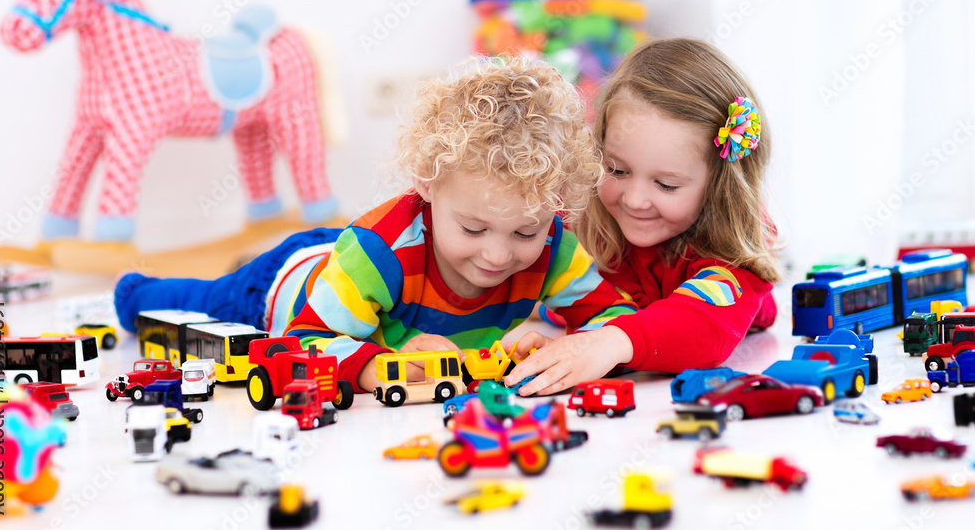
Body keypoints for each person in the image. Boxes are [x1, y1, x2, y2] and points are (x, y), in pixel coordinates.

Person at [114, 56, 638, 394]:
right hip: (283, 285)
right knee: (194, 309)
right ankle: (132, 292)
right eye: (474, 230)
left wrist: (569, 347)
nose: (499, 256)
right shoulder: (381, 254)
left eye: (524, 232)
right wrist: (379, 364)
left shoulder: (551, 247)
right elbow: (307, 341)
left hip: (351, 265)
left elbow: (614, 318)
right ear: (427, 187)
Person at [507, 38, 781, 395]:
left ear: (719, 185)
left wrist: (608, 344)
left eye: (666, 185)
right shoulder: (583, 213)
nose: (635, 200)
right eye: (617, 170)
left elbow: (703, 326)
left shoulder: (735, 253)